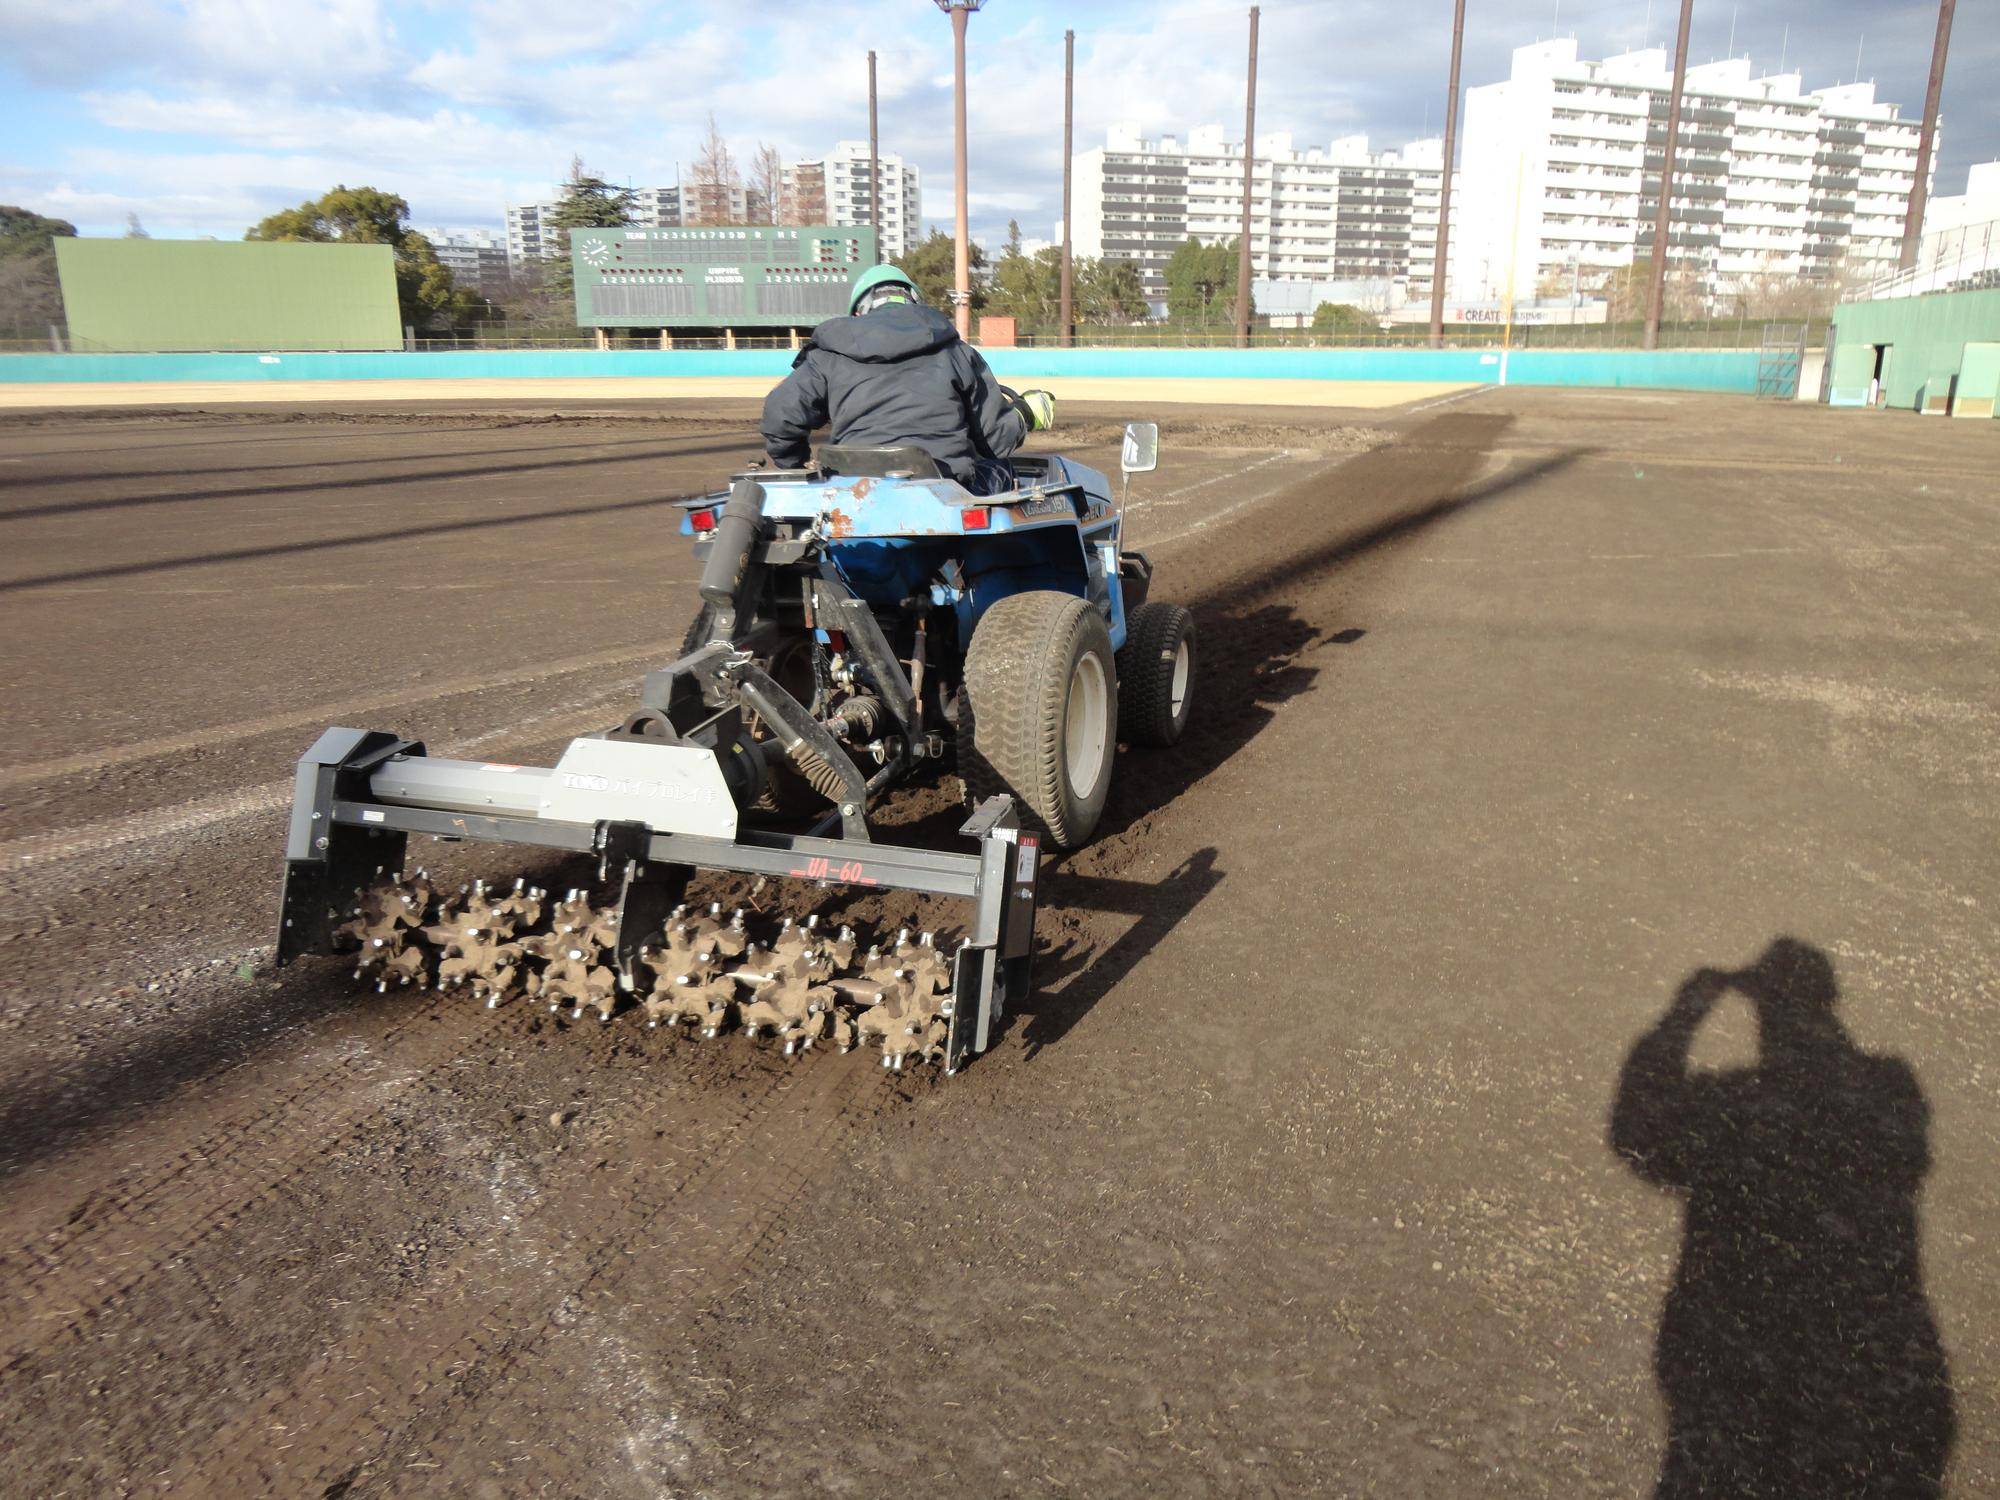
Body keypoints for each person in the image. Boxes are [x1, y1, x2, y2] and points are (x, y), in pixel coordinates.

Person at [759, 265, 1055, 495]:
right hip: (945, 494)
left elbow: (779, 416)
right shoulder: (955, 352)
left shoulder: (828, 355)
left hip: (852, 492)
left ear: (859, 310)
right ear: (913, 301)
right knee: (1004, 472)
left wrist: (797, 468)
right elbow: (996, 441)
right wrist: (1026, 413)